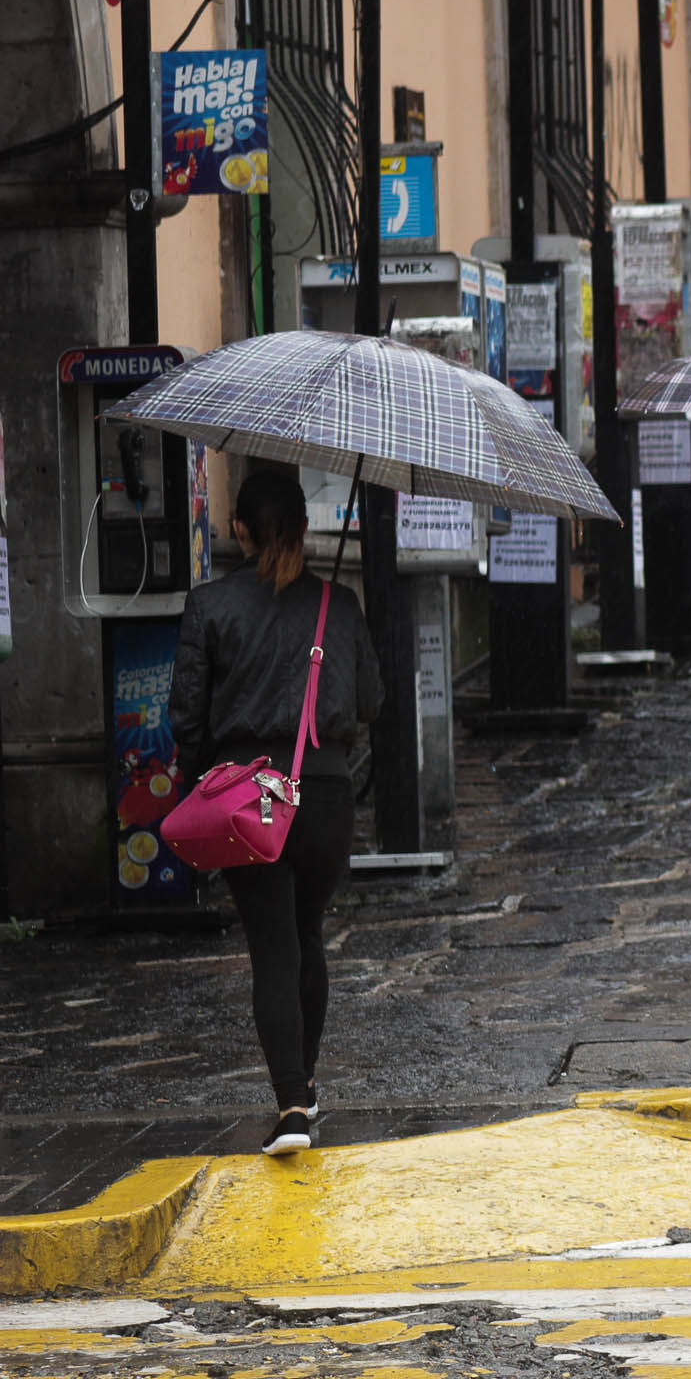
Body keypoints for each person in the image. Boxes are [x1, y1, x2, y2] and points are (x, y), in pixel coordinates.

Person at [169, 470, 382, 1157]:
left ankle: (292, 1105)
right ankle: (308, 1084)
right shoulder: (338, 605)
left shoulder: (209, 606)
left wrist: (207, 780)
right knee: (306, 934)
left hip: (245, 799)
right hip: (322, 796)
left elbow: (188, 717)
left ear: (240, 530)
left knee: (272, 948)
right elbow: (371, 701)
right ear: (300, 526)